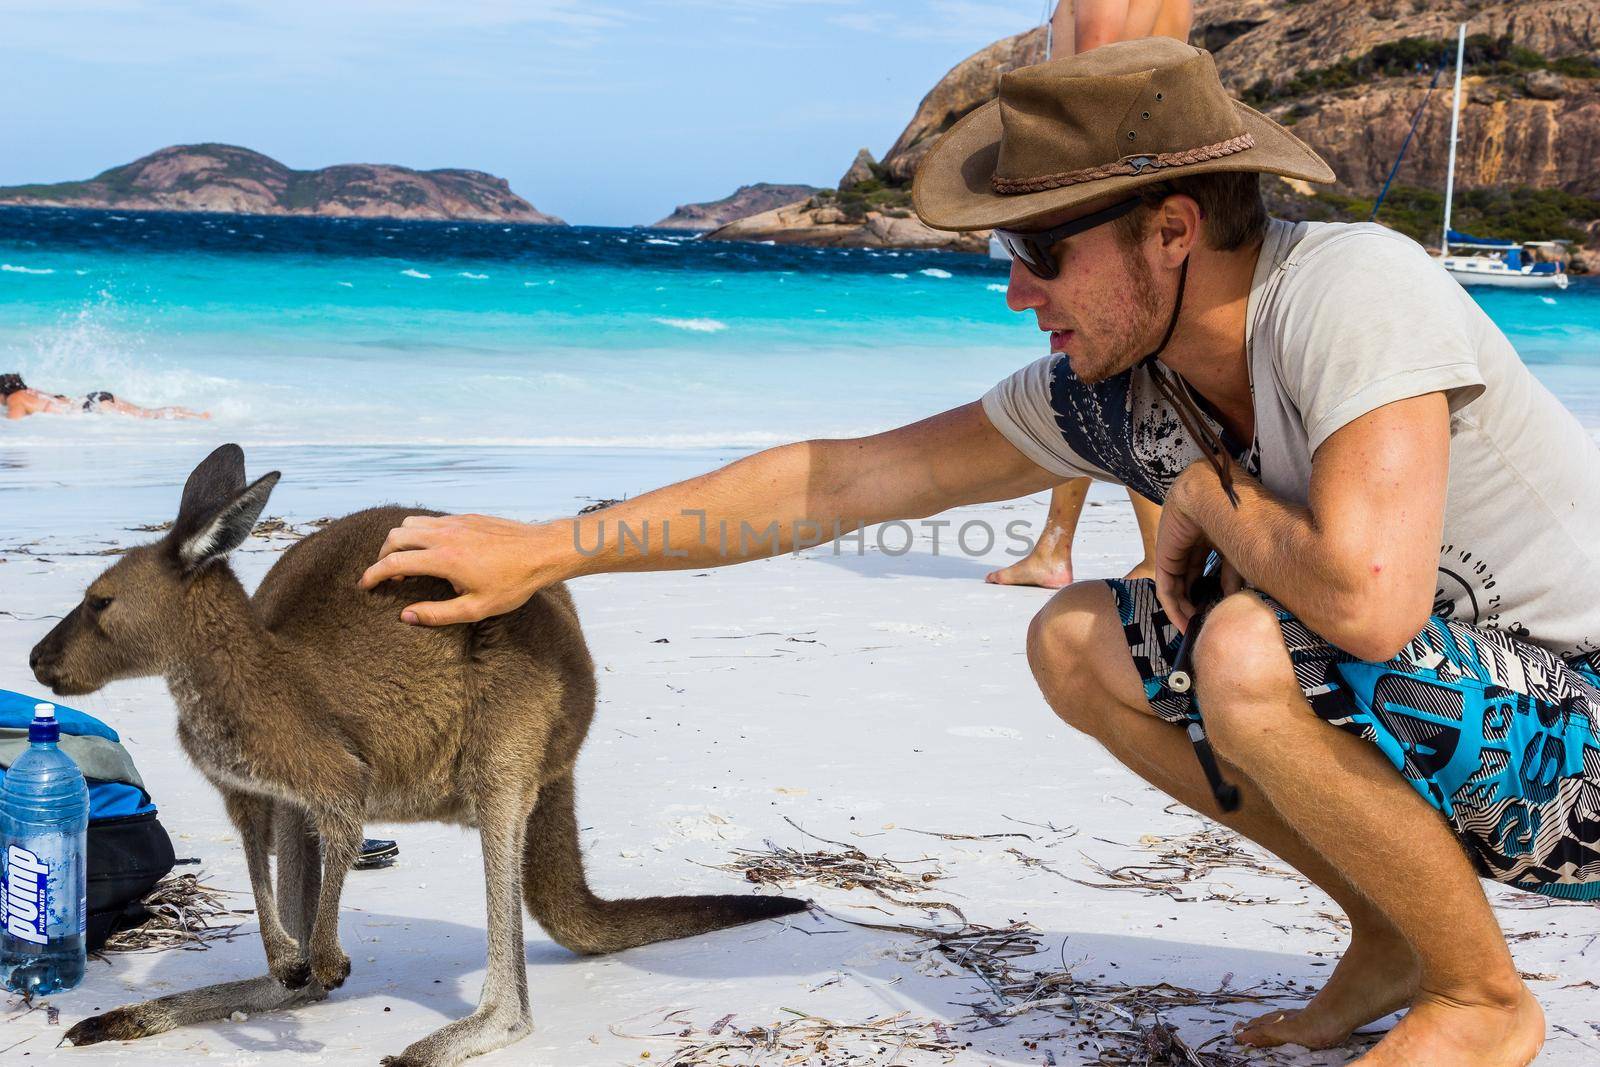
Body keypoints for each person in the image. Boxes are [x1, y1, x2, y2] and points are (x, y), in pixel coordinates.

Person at [358, 40, 1598, 1066]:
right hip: (1461, 731)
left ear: (1172, 230)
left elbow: (1369, 606)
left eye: (1040, 252)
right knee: (1077, 639)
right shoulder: (1125, 380)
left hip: (1583, 743)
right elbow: (838, 479)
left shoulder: (1347, 290)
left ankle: (1484, 1000)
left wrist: (1210, 493)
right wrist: (548, 549)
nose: (1016, 293)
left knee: (1240, 642)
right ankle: (1390, 927)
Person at [986, 0, 1193, 587]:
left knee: (1098, 375)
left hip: (1095, 197)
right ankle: (1063, 546)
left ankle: (1151, 559)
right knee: (1099, 375)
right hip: (1145, 190)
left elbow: (1092, 87)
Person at [1, 373, 209, 421]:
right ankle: (197, 416)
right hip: (94, 398)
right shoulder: (31, 392)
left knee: (143, 419)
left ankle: (197, 417)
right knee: (148, 415)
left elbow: (15, 421)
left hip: (90, 407)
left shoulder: (15, 398)